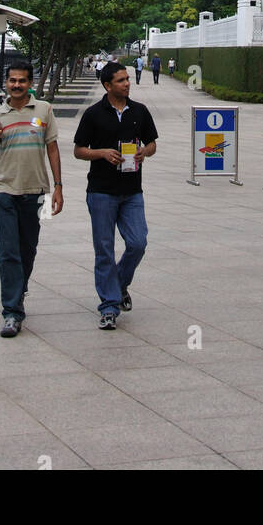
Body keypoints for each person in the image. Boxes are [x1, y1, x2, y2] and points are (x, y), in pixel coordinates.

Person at [0, 61, 63, 337]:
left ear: (30, 83)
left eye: (22, 81)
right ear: (6, 83)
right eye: (12, 80)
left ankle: (20, 286)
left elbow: (52, 149)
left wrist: (58, 187)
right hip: (5, 191)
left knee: (28, 248)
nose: (17, 85)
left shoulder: (44, 110)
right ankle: (12, 312)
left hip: (37, 192)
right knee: (8, 252)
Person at [73, 61, 158, 329]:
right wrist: (102, 153)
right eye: (121, 81)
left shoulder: (140, 112)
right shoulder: (93, 114)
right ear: (108, 85)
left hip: (132, 191)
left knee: (138, 243)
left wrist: (146, 152)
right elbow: (79, 150)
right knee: (104, 249)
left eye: (127, 79)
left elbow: (152, 143)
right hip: (101, 191)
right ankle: (109, 306)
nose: (127, 84)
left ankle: (119, 284)